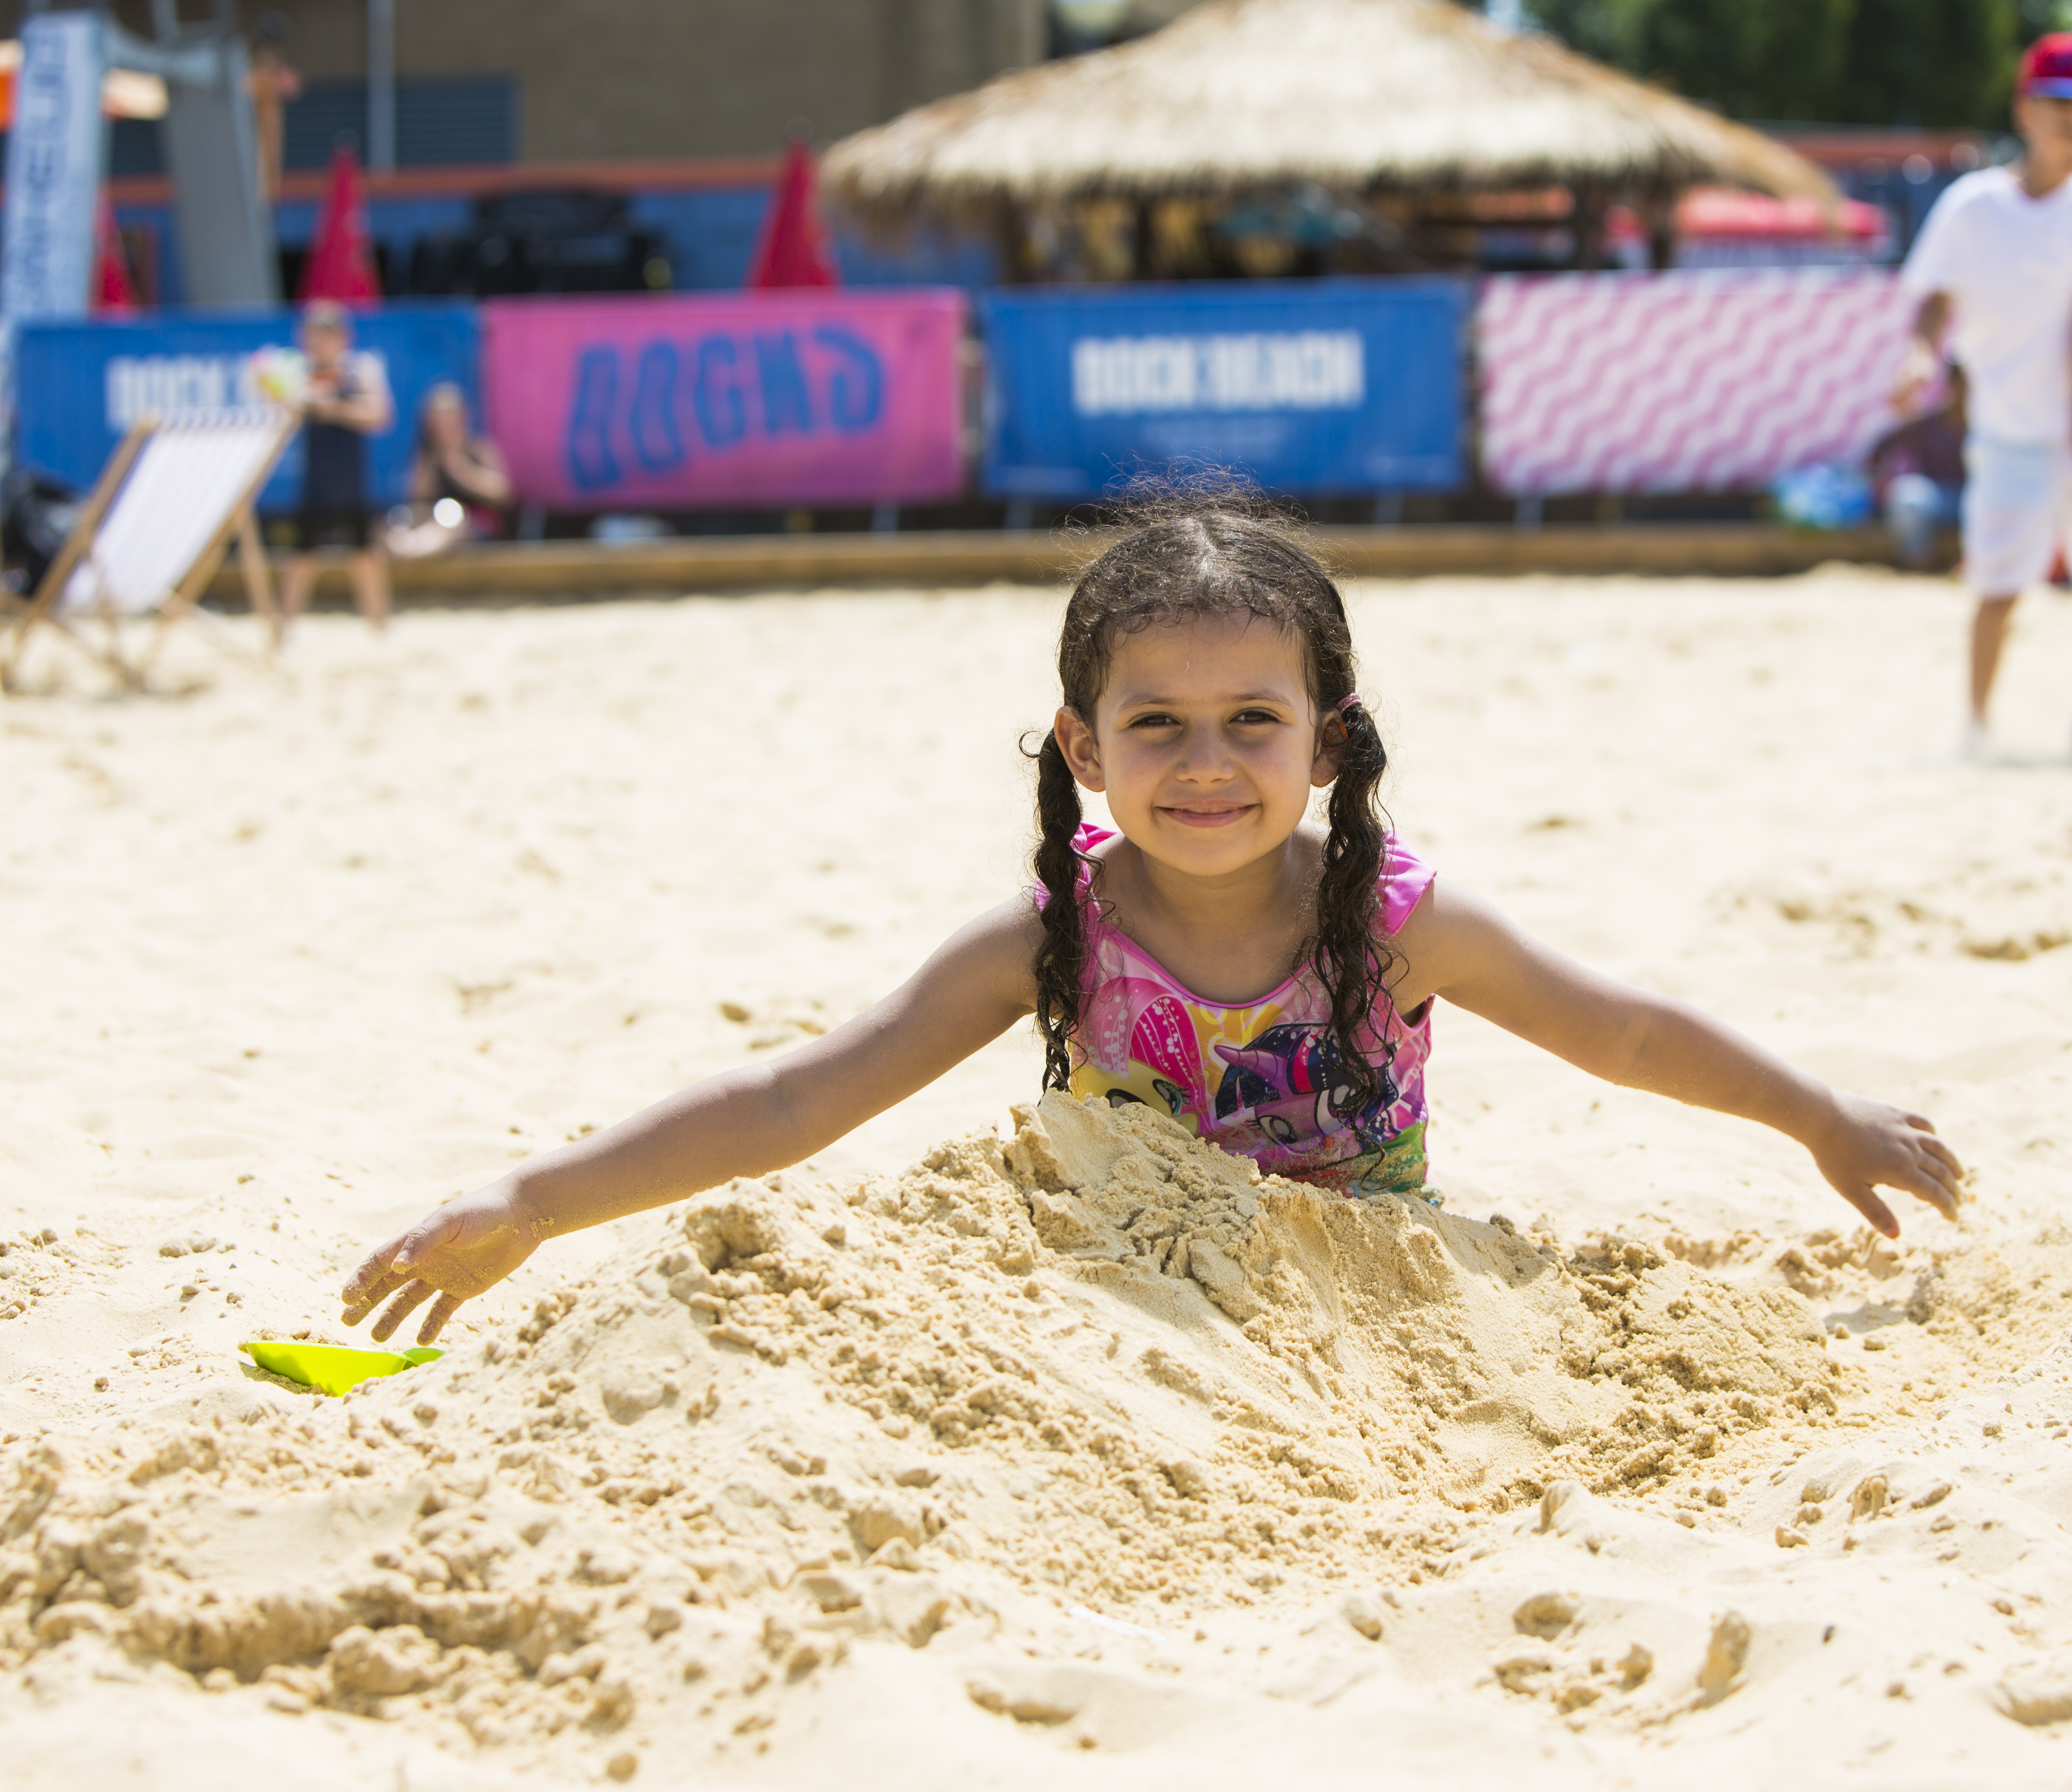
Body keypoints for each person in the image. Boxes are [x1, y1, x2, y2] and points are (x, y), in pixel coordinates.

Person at [341, 503, 1966, 1345]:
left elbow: (1616, 1027)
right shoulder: (1045, 937)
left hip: (1374, 1307)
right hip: (1113, 1309)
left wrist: (1814, 1113)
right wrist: (533, 1199)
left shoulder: (1393, 923)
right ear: (1082, 746)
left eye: (1251, 721)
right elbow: (790, 1100)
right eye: (1157, 725)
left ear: (1325, 741)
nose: (1204, 764)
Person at [1891, 31, 2072, 757]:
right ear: (2025, 111)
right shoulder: (1969, 207)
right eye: (2067, 114)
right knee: (1996, 580)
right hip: (2007, 424)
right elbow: (1932, 296)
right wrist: (1920, 356)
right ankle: (1975, 726)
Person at [275, 299, 394, 642]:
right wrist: (287, 400)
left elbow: (379, 415)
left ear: (341, 337)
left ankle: (380, 629)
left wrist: (330, 407)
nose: (317, 343)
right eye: (312, 336)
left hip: (351, 481)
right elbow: (282, 420)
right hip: (316, 481)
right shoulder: (300, 375)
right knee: (301, 557)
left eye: (323, 335)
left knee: (366, 555)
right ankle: (285, 632)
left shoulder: (359, 369)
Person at [1865, 361, 1968, 573]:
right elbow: (1881, 450)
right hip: (1938, 500)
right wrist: (1881, 482)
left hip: (1979, 500)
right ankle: (1920, 567)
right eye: (1962, 383)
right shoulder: (1929, 425)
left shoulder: (1990, 430)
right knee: (1909, 496)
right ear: (1951, 384)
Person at [405, 381, 512, 540]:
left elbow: (504, 494)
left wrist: (461, 471)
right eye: (437, 417)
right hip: (434, 525)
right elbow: (415, 500)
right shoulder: (428, 456)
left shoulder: (479, 450)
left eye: (449, 415)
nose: (443, 423)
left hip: (477, 527)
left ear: (463, 417)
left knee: (452, 529)